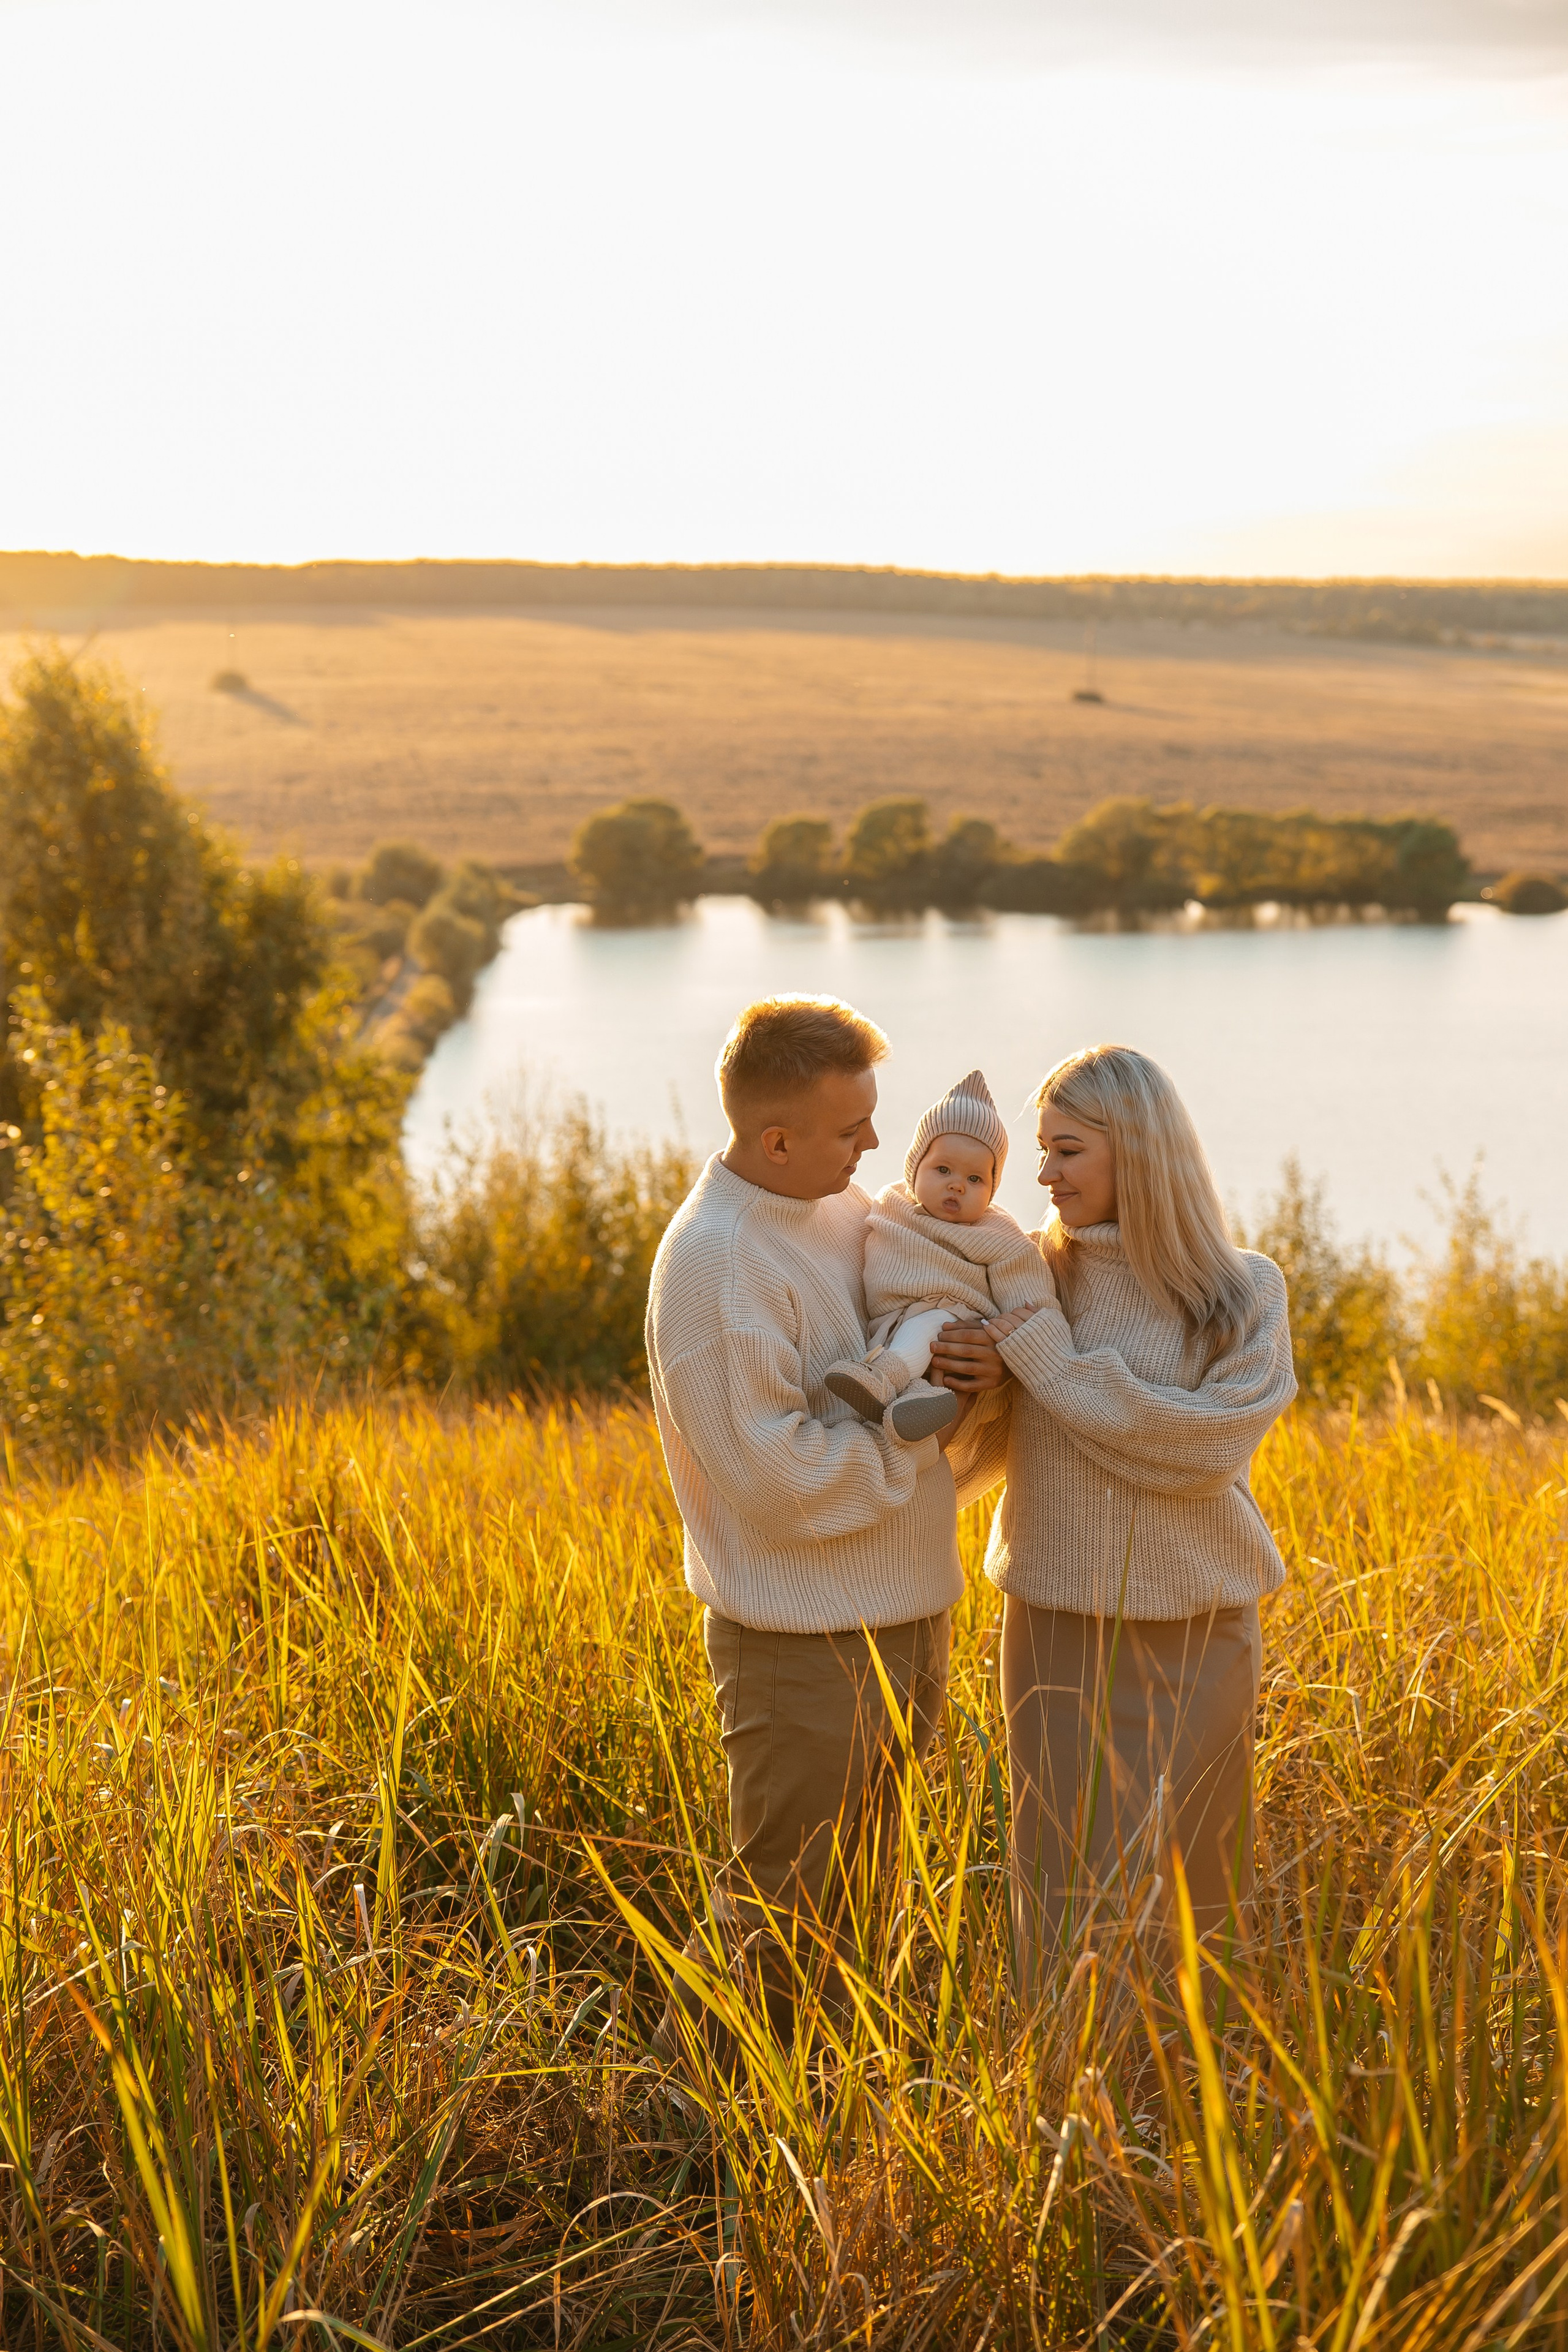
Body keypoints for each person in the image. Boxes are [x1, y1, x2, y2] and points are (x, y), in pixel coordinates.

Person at [930, 1043, 1297, 1993]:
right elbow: (980, 1451)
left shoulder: (1242, 1293)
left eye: (1066, 1150)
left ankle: (1188, 2108)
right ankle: (1063, 2104)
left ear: (1135, 1149)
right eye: (1042, 1153)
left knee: (1197, 1886)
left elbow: (1206, 1449)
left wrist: (1049, 1366)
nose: (1042, 1174)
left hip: (1201, 1632)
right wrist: (971, 1392)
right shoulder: (1026, 1277)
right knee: (1060, 1887)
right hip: (1055, 1628)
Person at [644, 994, 969, 2056]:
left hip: (902, 1616)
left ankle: (836, 2110)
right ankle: (719, 2146)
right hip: (802, 1649)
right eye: (850, 1128)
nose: (878, 1145)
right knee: (785, 1918)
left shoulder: (834, 1204)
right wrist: (918, 1440)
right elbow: (776, 1481)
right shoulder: (718, 1266)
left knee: (864, 1900)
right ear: (775, 1139)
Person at [823, 1068, 1054, 1438]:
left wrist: (1015, 1343)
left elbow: (1031, 1293)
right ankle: (910, 1409)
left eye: (975, 1179)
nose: (957, 1185)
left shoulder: (995, 1232)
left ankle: (882, 1378)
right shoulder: (890, 1204)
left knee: (928, 1327)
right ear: (915, 1169)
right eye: (943, 1169)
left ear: (992, 1189)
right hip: (890, 1323)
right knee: (906, 1350)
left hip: (952, 1319)